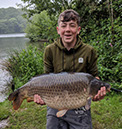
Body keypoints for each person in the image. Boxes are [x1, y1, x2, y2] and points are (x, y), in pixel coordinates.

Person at [34, 9, 106, 129]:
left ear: (78, 30)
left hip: (79, 103)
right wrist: (40, 96)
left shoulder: (89, 51)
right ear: (58, 30)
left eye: (72, 26)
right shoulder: (49, 50)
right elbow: (46, 78)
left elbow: (94, 76)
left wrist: (97, 91)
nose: (67, 29)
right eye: (64, 26)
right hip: (55, 101)